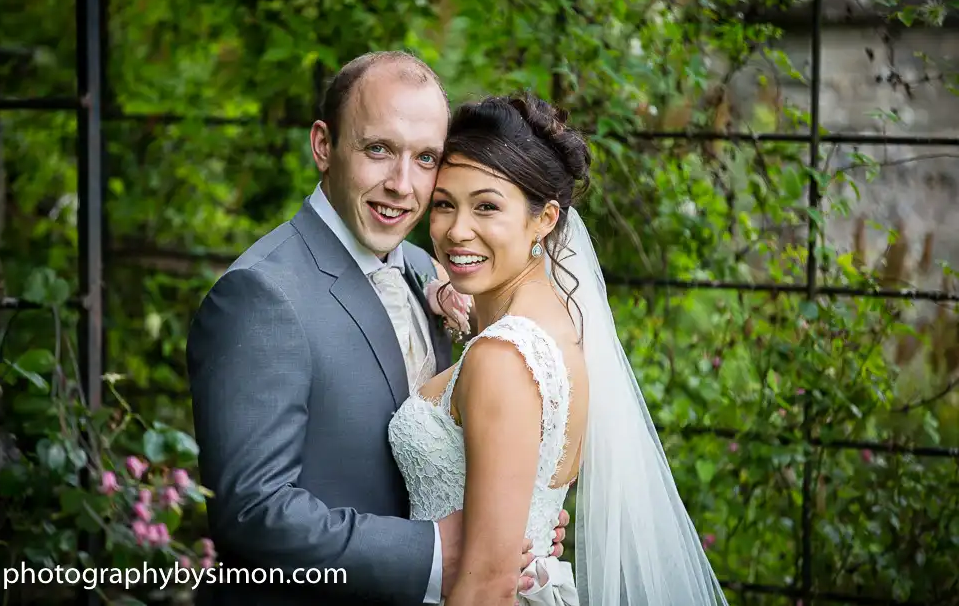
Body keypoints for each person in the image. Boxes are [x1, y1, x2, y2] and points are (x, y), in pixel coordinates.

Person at [186, 51, 568, 606]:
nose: (402, 185)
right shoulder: (261, 295)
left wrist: (511, 519)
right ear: (324, 146)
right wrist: (436, 550)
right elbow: (251, 512)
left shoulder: (426, 271)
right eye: (379, 150)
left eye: (426, 158)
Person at [388, 94, 730, 605]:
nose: (457, 231)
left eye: (486, 206)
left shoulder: (504, 357)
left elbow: (486, 584)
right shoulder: (553, 328)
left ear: (545, 218)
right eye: (444, 204)